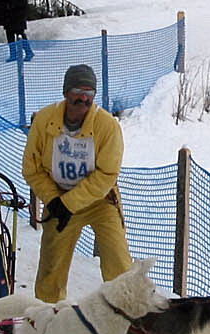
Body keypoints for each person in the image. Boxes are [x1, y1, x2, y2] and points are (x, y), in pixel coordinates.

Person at [23, 64, 132, 303]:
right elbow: (32, 168)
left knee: (119, 263)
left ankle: (128, 318)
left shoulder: (107, 126)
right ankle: (48, 318)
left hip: (100, 201)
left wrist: (69, 203)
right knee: (51, 268)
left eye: (89, 94)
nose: (83, 99)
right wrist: (54, 200)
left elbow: (107, 173)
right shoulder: (44, 121)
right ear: (66, 93)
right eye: (77, 92)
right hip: (58, 197)